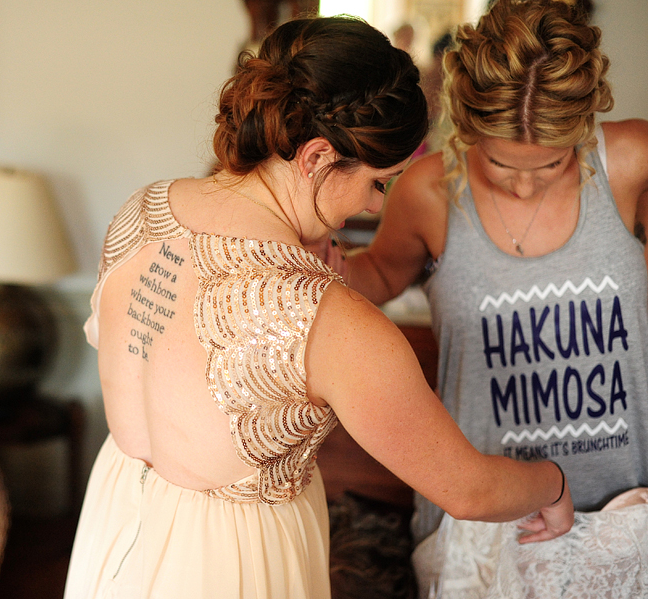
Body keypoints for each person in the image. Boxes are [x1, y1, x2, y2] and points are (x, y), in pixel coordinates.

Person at [63, 16, 573, 599]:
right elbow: (468, 490)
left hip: (118, 522)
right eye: (379, 182)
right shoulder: (333, 323)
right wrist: (554, 485)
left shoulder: (143, 209)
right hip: (230, 565)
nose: (377, 207)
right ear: (316, 157)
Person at [317, 0, 648, 595]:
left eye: (550, 163)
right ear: (467, 127)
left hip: (622, 514)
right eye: (499, 162)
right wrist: (320, 259)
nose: (524, 183)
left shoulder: (629, 162)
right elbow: (381, 278)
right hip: (484, 524)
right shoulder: (430, 190)